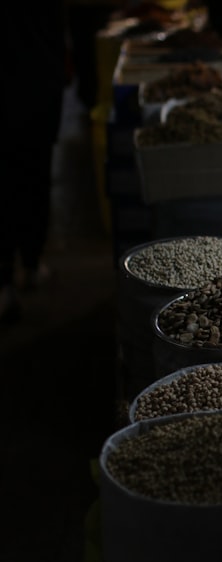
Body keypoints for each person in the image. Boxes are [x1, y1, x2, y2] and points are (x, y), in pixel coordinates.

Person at [1, 4, 71, 325]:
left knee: (19, 180)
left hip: (23, 82)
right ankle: (30, 265)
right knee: (33, 178)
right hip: (37, 84)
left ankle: (9, 281)